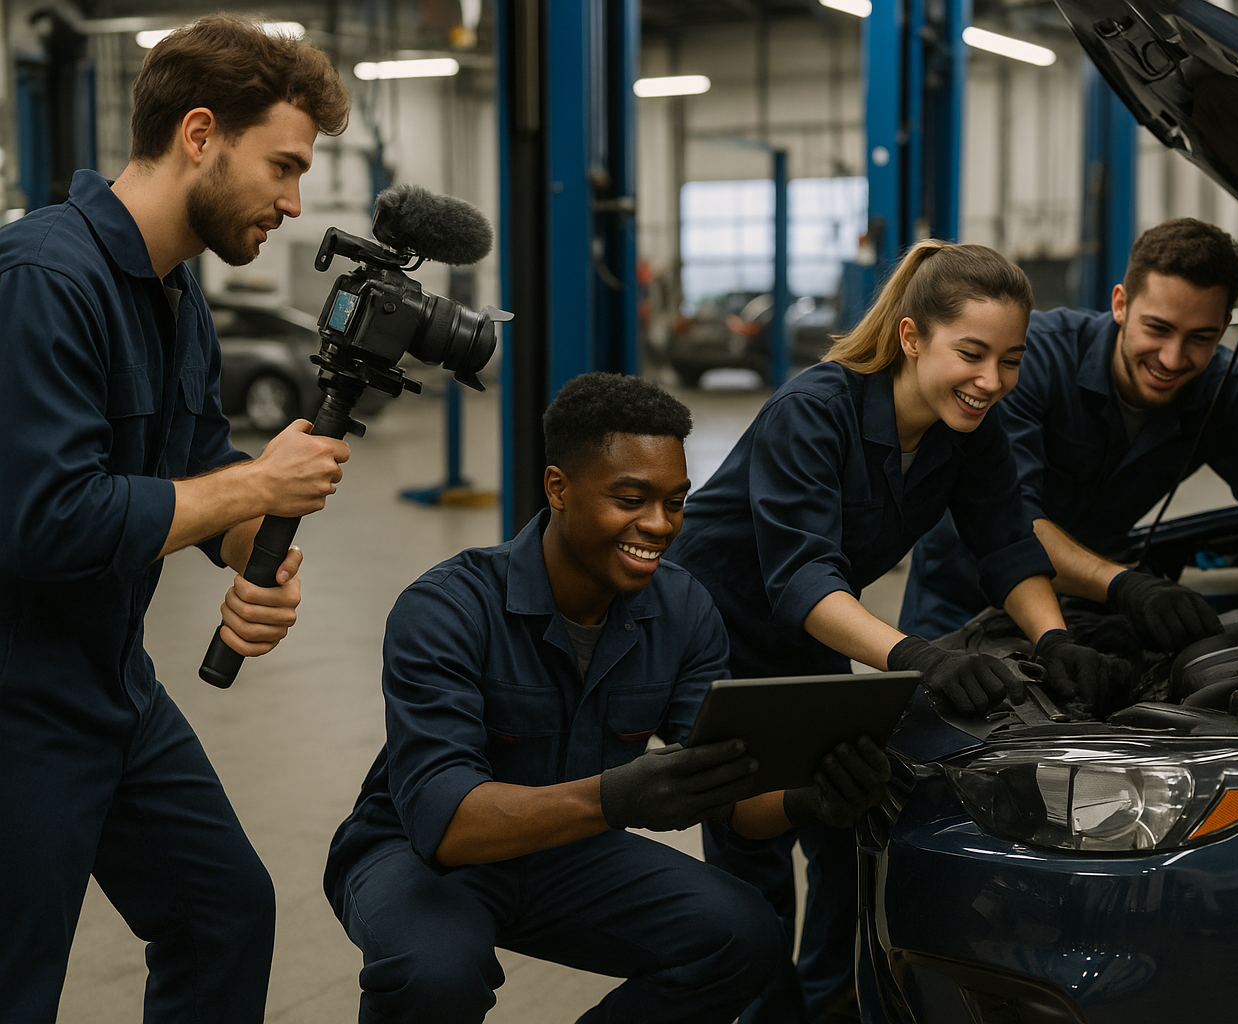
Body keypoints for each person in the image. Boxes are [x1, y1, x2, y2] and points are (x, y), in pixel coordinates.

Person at [323, 373, 891, 1024]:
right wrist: (616, 797)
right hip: (418, 850)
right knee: (437, 971)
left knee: (745, 934)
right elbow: (445, 824)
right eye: (631, 498)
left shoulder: (684, 610)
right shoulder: (447, 608)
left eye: (676, 501)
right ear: (558, 487)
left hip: (569, 846)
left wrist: (806, 798)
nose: (658, 526)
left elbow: (734, 800)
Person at [0, 16, 351, 1023]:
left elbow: (200, 478)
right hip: (18, 699)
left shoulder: (176, 294)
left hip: (114, 686)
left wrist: (262, 553)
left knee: (222, 913)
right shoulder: (41, 281)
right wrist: (256, 490)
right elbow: (46, 520)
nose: (292, 202)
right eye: (282, 167)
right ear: (200, 134)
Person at [666, 240, 1114, 1024]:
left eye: (1010, 361)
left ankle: (830, 999)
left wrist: (1053, 639)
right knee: (752, 846)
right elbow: (800, 574)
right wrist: (916, 657)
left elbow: (1006, 541)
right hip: (714, 631)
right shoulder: (815, 411)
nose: (992, 382)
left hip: (808, 630)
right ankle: (764, 1013)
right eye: (971, 354)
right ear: (912, 338)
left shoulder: (967, 431)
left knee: (845, 824)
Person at [900, 218, 1238, 656]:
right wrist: (1127, 585)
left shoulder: (1225, 392)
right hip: (959, 604)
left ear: (1227, 324)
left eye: (1201, 338)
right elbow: (1013, 523)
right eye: (1158, 328)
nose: (1172, 358)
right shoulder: (1028, 360)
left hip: (1083, 606)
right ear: (1120, 304)